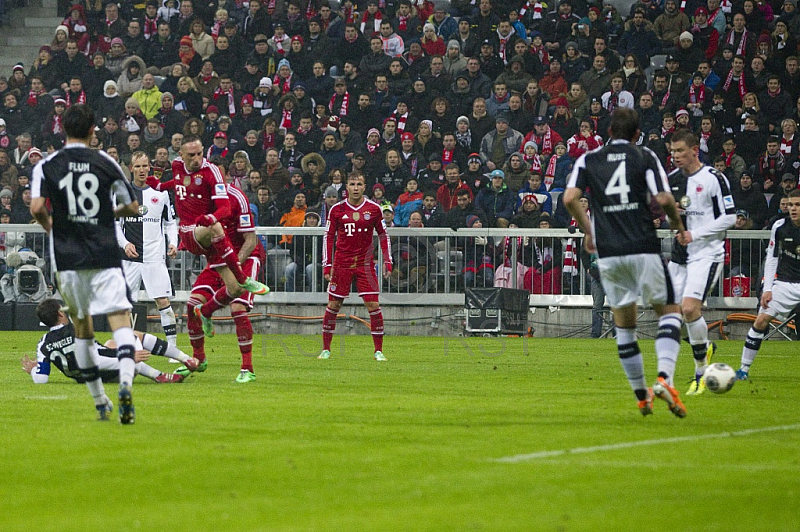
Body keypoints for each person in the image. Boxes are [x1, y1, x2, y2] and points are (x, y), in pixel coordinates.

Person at [564, 108, 689, 418]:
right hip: (643, 246)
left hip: (608, 252)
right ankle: (664, 380)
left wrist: (588, 230)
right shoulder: (644, 155)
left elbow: (569, 198)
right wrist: (678, 226)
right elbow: (663, 199)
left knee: (625, 323)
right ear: (637, 134)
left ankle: (641, 395)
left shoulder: (588, 159)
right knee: (670, 311)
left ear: (608, 132)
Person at [30, 105, 143, 423]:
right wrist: (107, 215)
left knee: (82, 329)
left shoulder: (47, 165)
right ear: (94, 129)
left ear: (63, 129)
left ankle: (100, 402)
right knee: (120, 317)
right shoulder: (106, 162)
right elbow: (132, 206)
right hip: (104, 254)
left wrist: (54, 228)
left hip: (67, 259)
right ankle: (124, 382)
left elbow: (37, 207)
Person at [145, 135, 269, 307]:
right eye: (191, 155)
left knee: (235, 289)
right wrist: (160, 186)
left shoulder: (211, 171)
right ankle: (242, 276)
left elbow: (224, 208)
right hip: (190, 230)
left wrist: (211, 217)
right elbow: (181, 182)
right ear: (181, 155)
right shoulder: (176, 165)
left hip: (208, 237)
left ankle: (206, 314)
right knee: (216, 228)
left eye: (199, 154)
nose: (196, 159)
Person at [667, 129, 737, 395]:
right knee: (669, 313)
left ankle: (700, 372)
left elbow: (729, 218)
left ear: (695, 150)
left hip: (706, 254)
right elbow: (671, 211)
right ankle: (704, 344)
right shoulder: (673, 179)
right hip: (680, 254)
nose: (676, 156)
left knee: (689, 309)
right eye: (673, 151)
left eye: (681, 151)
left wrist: (694, 233)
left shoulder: (713, 179)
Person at [181, 181, 266, 383]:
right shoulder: (197, 200)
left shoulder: (237, 198)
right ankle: (199, 358)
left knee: (237, 307)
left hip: (245, 257)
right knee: (192, 304)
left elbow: (251, 239)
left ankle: (247, 368)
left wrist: (234, 264)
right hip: (217, 260)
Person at [21, 299, 197, 384]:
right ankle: (169, 368)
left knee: (112, 343)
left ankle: (169, 367)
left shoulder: (43, 344)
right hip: (108, 370)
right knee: (130, 335)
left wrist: (34, 370)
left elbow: (42, 379)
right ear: (60, 314)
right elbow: (96, 357)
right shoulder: (76, 329)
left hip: (88, 379)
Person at [319, 174, 392, 361]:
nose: (356, 187)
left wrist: (387, 260)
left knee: (373, 305)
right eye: (352, 184)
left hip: (365, 264)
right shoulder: (337, 209)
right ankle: (326, 349)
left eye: (359, 184)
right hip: (342, 262)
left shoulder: (374, 209)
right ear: (347, 188)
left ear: (364, 187)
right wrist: (327, 265)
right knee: (334, 304)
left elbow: (384, 235)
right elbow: (328, 236)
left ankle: (378, 351)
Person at [116, 151, 179, 347]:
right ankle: (126, 345)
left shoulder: (161, 195)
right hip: (130, 259)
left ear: (149, 167)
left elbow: (170, 223)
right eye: (138, 166)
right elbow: (115, 225)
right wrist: (125, 244)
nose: (142, 170)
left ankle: (173, 347)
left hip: (154, 258)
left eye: (145, 166)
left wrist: (173, 242)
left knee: (163, 301)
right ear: (131, 168)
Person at [736, 190, 800, 380]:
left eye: (797, 205)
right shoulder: (780, 226)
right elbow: (771, 258)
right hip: (785, 283)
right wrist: (768, 288)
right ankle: (743, 369)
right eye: (790, 205)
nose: (793, 209)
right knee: (761, 320)